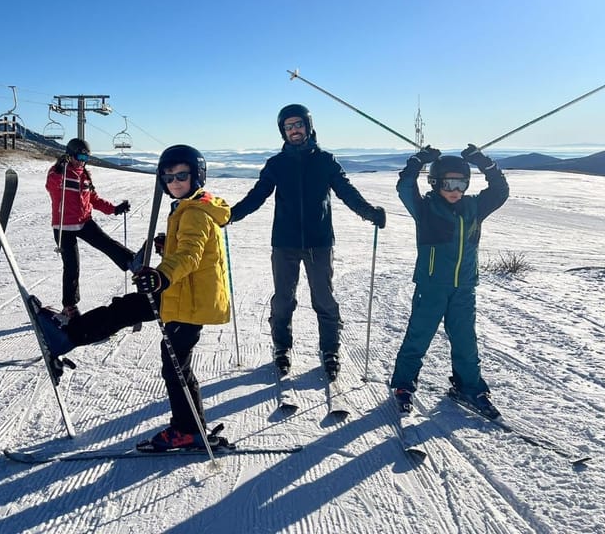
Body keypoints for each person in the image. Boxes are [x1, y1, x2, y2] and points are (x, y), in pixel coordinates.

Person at [35, 145, 232, 450]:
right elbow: (187, 251)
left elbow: (191, 256)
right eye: (168, 176)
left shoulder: (195, 213)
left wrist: (161, 275)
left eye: (182, 175)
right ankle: (68, 336)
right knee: (125, 310)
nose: (175, 181)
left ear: (197, 176)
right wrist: (168, 247)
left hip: (187, 301)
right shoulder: (190, 206)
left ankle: (189, 430)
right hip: (179, 293)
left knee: (175, 365)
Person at [228, 104, 386, 382]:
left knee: (324, 299)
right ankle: (282, 347)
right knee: (283, 300)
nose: (294, 130)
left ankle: (330, 350)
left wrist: (369, 213)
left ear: (308, 126)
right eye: (288, 127)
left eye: (298, 125)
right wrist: (230, 215)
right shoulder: (276, 164)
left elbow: (346, 191)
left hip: (319, 243)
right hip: (284, 243)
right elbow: (257, 196)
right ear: (283, 131)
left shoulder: (326, 160)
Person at [389, 144, 509, 418]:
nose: (455, 190)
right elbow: (404, 187)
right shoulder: (425, 208)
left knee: (466, 340)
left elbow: (500, 191)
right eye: (448, 183)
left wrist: (483, 162)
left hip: (464, 287)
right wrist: (419, 160)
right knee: (419, 336)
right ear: (435, 183)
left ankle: (469, 387)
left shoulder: (474, 207)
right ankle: (403, 385)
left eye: (461, 183)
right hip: (431, 287)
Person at [46, 137, 134, 319]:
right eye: (79, 157)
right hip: (64, 225)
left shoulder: (85, 175)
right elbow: (50, 186)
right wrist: (59, 171)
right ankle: (69, 306)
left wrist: (114, 209)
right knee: (72, 266)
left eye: (86, 158)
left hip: (84, 221)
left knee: (106, 243)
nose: (82, 161)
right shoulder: (58, 173)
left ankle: (132, 261)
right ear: (69, 155)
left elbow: (94, 199)